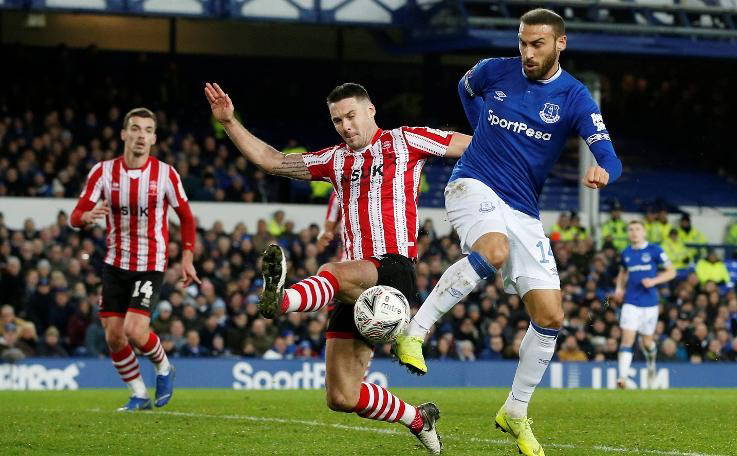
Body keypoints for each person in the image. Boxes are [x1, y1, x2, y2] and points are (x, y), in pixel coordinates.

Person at [392, 9, 622, 455]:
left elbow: (608, 154)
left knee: (551, 316)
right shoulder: (494, 70)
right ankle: (414, 331)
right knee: (493, 250)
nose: (527, 53)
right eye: (522, 42)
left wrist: (604, 171)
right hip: (473, 182)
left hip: (523, 209)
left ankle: (515, 410)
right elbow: (465, 86)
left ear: (560, 43)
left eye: (537, 44)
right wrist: (481, 130)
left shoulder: (575, 97)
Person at [205, 81, 472, 454]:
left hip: (394, 269)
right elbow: (272, 160)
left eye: (351, 116)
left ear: (370, 110)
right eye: (337, 120)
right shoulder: (333, 160)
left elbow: (475, 145)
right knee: (342, 396)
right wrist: (229, 122)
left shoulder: (407, 140)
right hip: (354, 287)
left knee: (333, 269)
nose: (346, 126)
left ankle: (282, 301)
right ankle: (417, 418)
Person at [69, 107, 200, 411]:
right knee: (114, 337)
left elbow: (186, 217)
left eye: (148, 130)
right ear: (124, 134)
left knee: (134, 330)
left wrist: (187, 257)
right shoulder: (103, 172)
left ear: (154, 139)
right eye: (136, 129)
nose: (142, 135)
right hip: (115, 264)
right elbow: (76, 215)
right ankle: (139, 393)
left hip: (150, 264)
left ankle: (164, 367)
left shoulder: (165, 174)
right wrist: (86, 217)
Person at [613, 221, 675, 389]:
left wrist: (654, 281)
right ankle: (622, 378)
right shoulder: (626, 253)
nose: (634, 232)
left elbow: (671, 272)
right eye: (631, 229)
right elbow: (623, 272)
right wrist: (619, 288)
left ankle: (651, 365)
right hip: (631, 302)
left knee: (647, 343)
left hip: (650, 304)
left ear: (644, 232)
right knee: (627, 339)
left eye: (637, 229)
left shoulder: (655, 250)